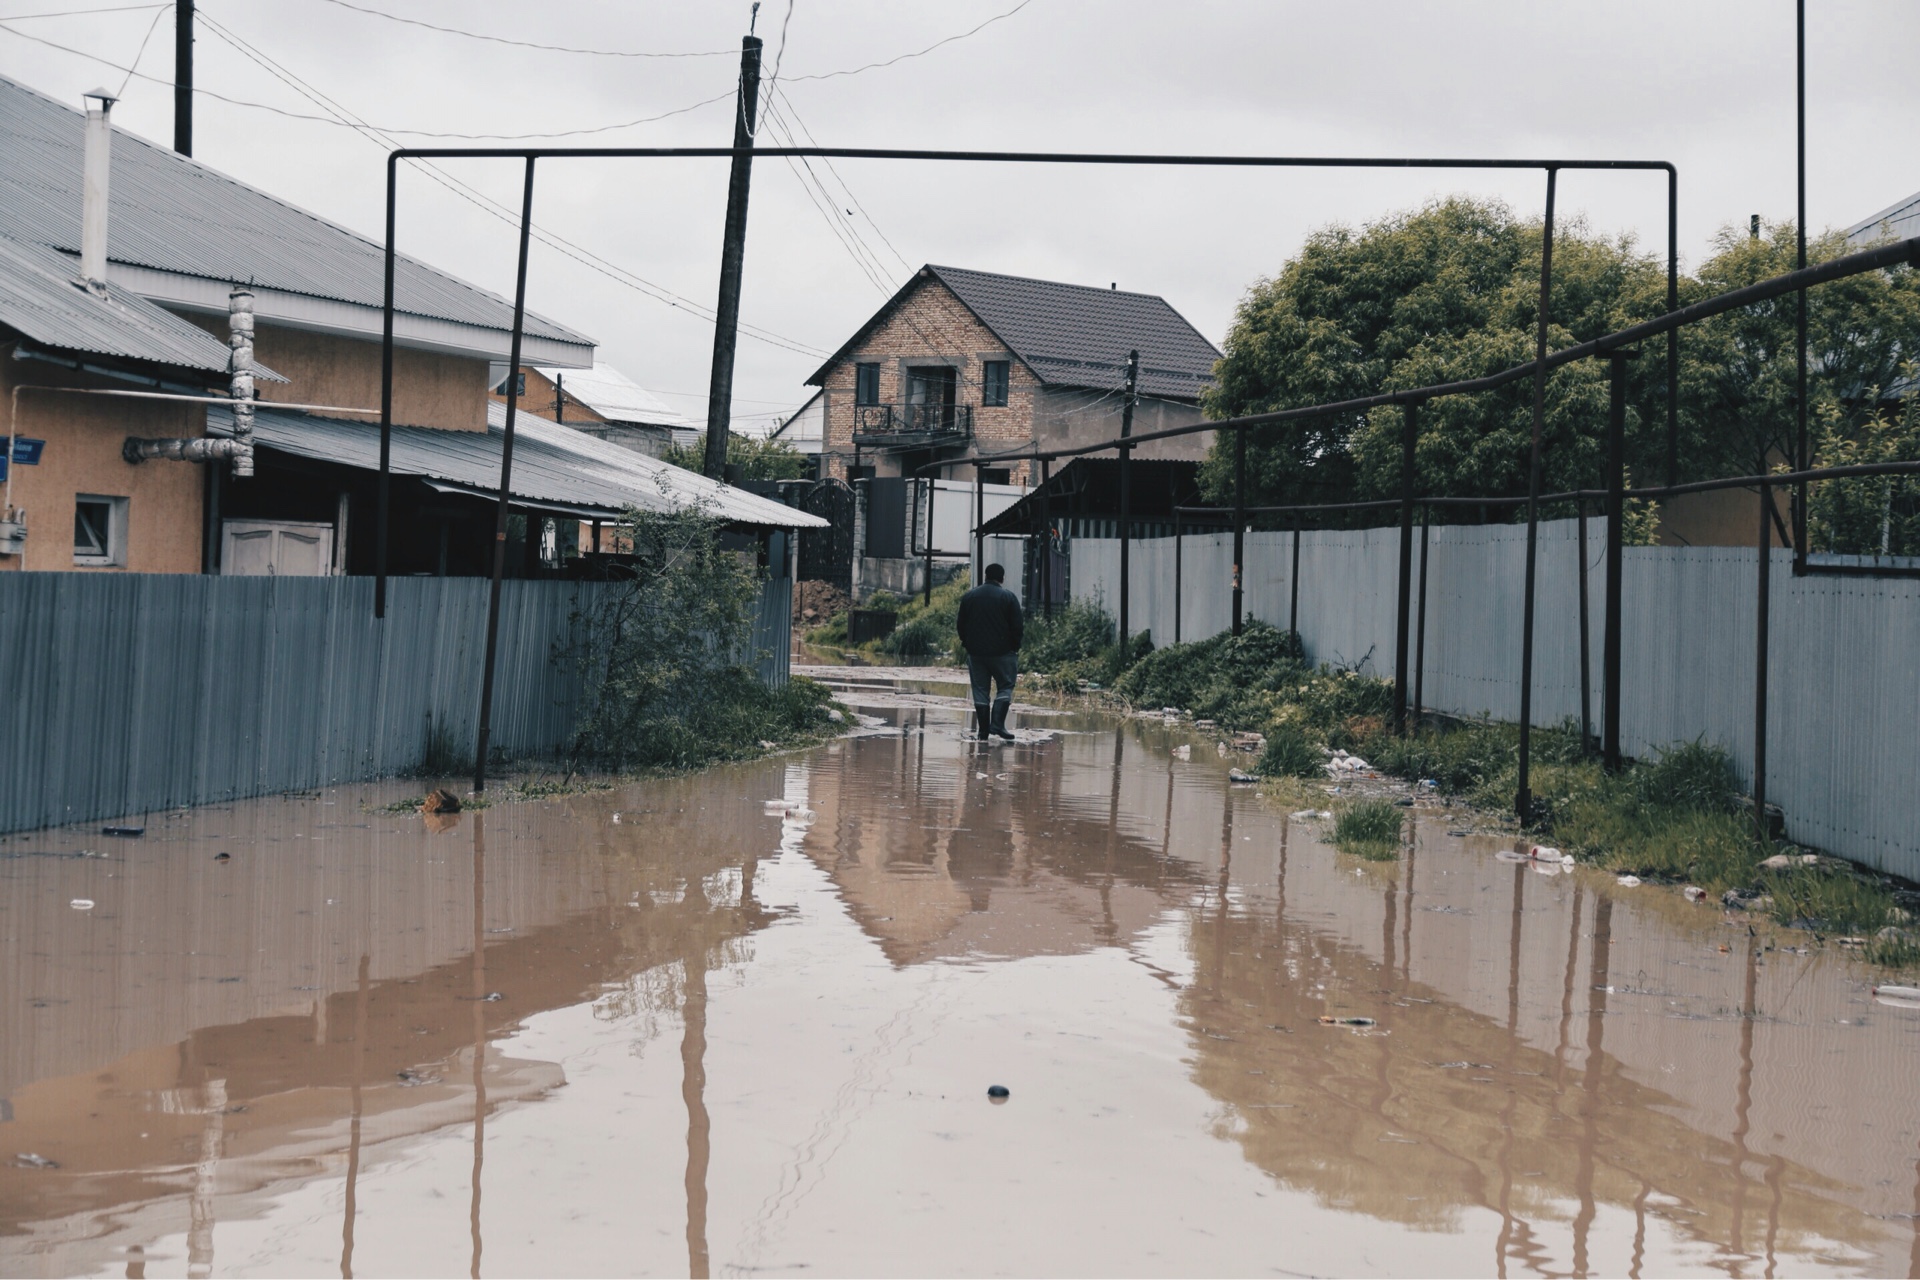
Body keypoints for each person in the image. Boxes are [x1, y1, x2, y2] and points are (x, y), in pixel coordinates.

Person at [955, 562, 1023, 742]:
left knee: (980, 690)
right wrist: (1014, 647)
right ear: (1001, 578)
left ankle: (983, 732)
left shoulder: (969, 597)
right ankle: (998, 724)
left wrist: (967, 644)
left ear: (985, 576)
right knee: (1006, 686)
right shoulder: (1008, 598)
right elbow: (1017, 627)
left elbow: (961, 625)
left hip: (976, 654)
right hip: (1003, 654)